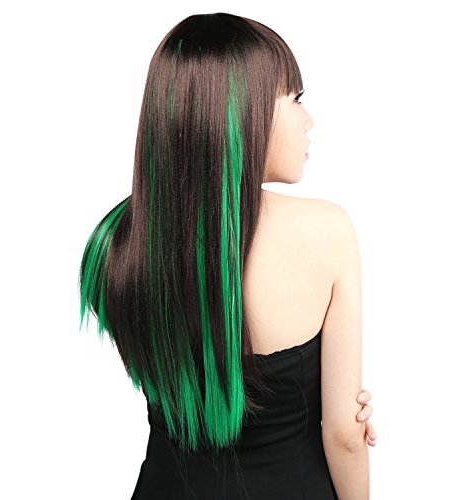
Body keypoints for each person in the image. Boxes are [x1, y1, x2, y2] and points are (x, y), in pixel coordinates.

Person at [79, 12, 377, 499]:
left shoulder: (113, 242)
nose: (309, 120)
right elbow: (345, 435)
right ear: (243, 113)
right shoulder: (326, 232)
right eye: (295, 98)